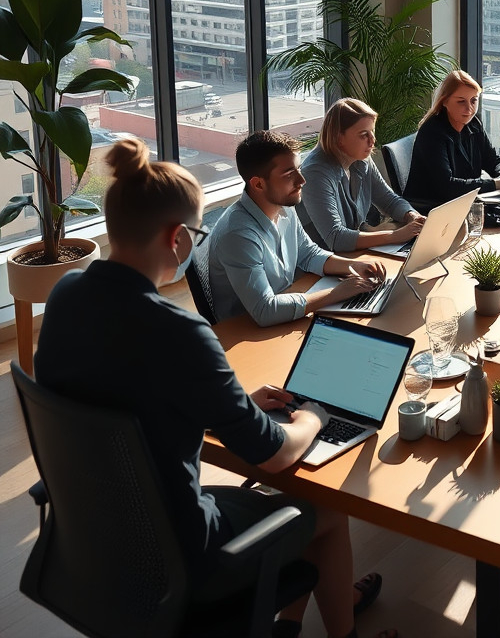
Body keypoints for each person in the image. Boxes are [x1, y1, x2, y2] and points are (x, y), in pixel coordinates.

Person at [33, 138, 393, 638]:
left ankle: (289, 619)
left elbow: (130, 397)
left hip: (93, 534)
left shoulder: (65, 298)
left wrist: (236, 404)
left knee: (287, 505)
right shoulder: (181, 334)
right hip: (182, 552)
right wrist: (313, 415)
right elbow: (272, 456)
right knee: (327, 508)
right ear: (179, 238)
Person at [209, 131, 386, 327]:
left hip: (286, 312)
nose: (302, 180)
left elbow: (308, 253)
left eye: (298, 169)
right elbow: (265, 310)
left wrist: (353, 267)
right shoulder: (238, 235)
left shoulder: (283, 205)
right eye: (288, 174)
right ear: (258, 184)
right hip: (247, 333)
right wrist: (337, 293)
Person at [299, 98, 425, 253]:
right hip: (325, 264)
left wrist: (411, 216)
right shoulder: (315, 172)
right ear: (339, 138)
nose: (372, 140)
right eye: (363, 134)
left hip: (356, 253)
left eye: (372, 131)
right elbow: (336, 238)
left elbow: (389, 200)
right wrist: (395, 236)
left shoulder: (360, 158)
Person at [404, 69, 500, 210]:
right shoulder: (432, 133)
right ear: (444, 101)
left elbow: (493, 159)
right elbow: (447, 187)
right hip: (433, 209)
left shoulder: (474, 124)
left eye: (473, 100)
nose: (469, 108)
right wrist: (496, 184)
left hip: (464, 202)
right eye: (461, 102)